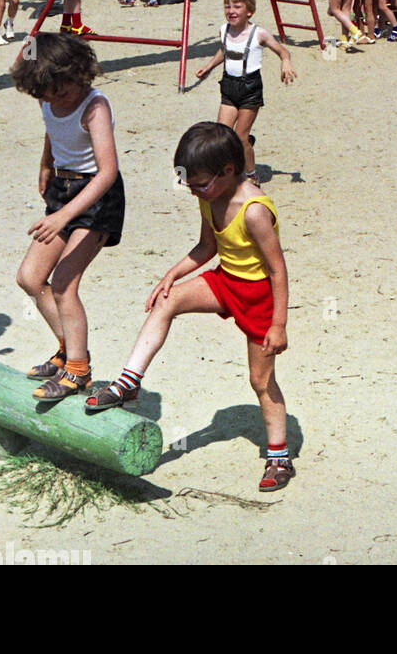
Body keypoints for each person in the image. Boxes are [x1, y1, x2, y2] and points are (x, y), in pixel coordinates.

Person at [85, 122, 295, 493]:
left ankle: (279, 456)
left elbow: (277, 269)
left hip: (259, 296)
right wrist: (172, 274)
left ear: (228, 170)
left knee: (260, 380)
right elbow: (207, 247)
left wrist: (278, 325)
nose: (193, 190)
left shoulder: (254, 211)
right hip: (225, 280)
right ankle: (128, 383)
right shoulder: (208, 196)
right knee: (167, 300)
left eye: (199, 183)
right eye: (189, 183)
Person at [11, 32, 125, 401]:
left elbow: (107, 171)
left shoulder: (95, 106)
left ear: (79, 74)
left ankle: (78, 371)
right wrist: (46, 164)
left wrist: (64, 217)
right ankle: (67, 350)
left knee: (63, 283)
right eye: (46, 95)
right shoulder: (47, 93)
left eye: (61, 91)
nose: (55, 99)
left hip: (97, 197)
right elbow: (51, 128)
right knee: (30, 278)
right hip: (62, 188)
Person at [196, 0, 296, 172]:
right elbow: (224, 50)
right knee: (222, 135)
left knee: (240, 138)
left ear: (249, 11)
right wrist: (209, 66)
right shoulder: (224, 30)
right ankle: (230, 169)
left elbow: (283, 51)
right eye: (228, 6)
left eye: (237, 6)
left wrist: (286, 62)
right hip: (228, 85)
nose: (231, 11)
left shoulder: (259, 34)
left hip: (250, 88)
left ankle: (250, 174)